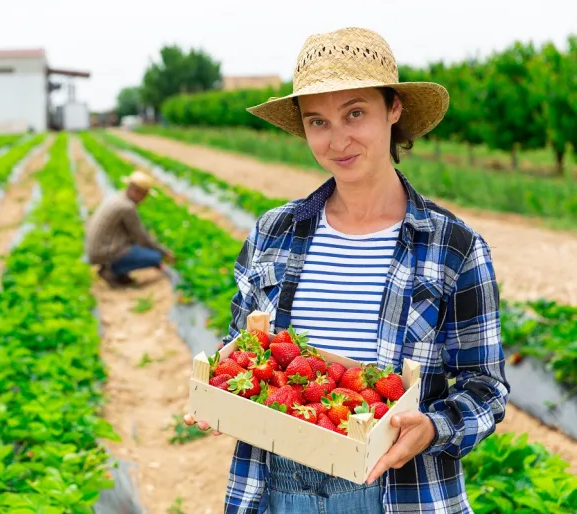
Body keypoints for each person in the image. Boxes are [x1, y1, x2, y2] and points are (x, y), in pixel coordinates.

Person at [184, 27, 510, 513]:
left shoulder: (454, 247)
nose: (337, 140)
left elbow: (486, 388)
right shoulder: (272, 234)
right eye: (317, 122)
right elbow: (248, 350)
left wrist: (433, 428)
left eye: (355, 113)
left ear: (393, 108)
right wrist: (221, 395)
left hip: (398, 491)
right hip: (275, 486)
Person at [85, 170, 175, 286]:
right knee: (154, 257)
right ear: (136, 191)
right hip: (104, 252)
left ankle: (114, 269)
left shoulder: (117, 198)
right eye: (144, 194)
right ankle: (113, 270)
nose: (144, 199)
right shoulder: (127, 207)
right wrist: (163, 252)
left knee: (136, 247)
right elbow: (141, 238)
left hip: (97, 250)